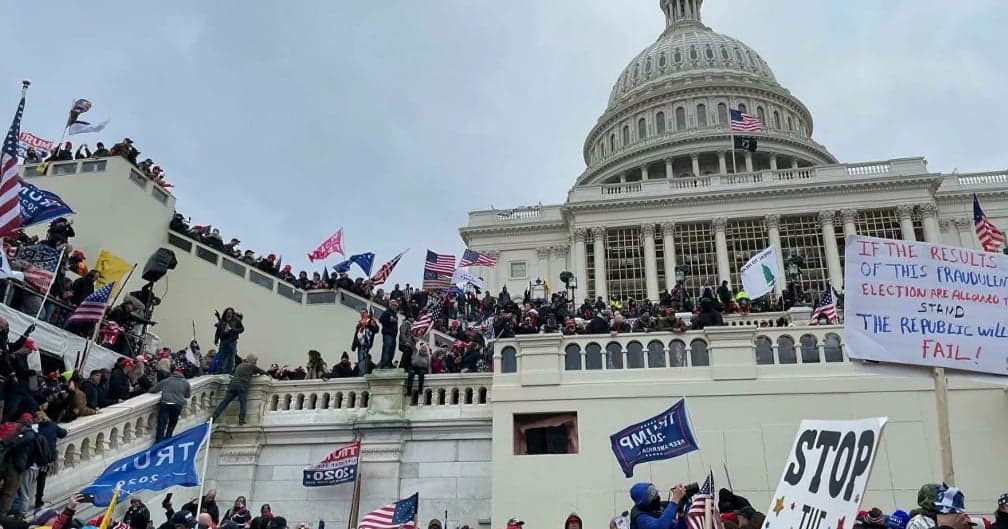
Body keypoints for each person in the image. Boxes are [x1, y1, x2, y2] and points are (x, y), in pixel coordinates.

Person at [211, 354, 265, 426]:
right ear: (253, 360)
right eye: (255, 361)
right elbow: (263, 372)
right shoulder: (251, 366)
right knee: (243, 404)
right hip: (242, 386)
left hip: (232, 385)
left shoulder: (240, 365)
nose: (255, 362)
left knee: (225, 402)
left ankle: (214, 416)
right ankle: (241, 420)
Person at [33, 411, 66, 508]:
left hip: (37, 457)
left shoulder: (36, 428)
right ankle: (38, 499)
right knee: (41, 478)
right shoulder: (52, 425)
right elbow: (63, 433)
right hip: (49, 457)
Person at [149, 368, 192, 442]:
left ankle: (159, 441)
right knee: (172, 423)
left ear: (173, 373)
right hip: (177, 405)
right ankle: (168, 438)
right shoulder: (186, 382)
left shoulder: (167, 380)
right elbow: (188, 395)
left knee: (162, 423)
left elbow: (154, 390)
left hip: (166, 403)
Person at [213, 308, 244, 375]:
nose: (229, 314)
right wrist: (216, 339)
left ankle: (228, 371)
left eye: (230, 312)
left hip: (232, 340)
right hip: (223, 340)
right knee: (221, 356)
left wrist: (233, 330)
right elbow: (218, 331)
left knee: (231, 357)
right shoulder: (222, 321)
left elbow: (242, 329)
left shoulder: (236, 320)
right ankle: (220, 371)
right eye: (228, 312)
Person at [350, 310, 378, 376]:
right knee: (361, 360)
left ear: (367, 313)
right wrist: (354, 345)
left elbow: (376, 329)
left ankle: (362, 375)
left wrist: (369, 324)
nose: (362, 314)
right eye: (361, 313)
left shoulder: (370, 321)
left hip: (366, 343)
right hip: (360, 344)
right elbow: (356, 335)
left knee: (363, 360)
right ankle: (362, 374)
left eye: (364, 312)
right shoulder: (359, 324)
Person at [378, 300, 399, 369]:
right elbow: (381, 320)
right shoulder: (386, 312)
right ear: (390, 305)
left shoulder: (395, 315)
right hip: (388, 334)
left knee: (392, 350)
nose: (394, 307)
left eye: (395, 305)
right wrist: (389, 319)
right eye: (393, 305)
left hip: (393, 335)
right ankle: (384, 364)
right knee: (387, 349)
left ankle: (389, 363)